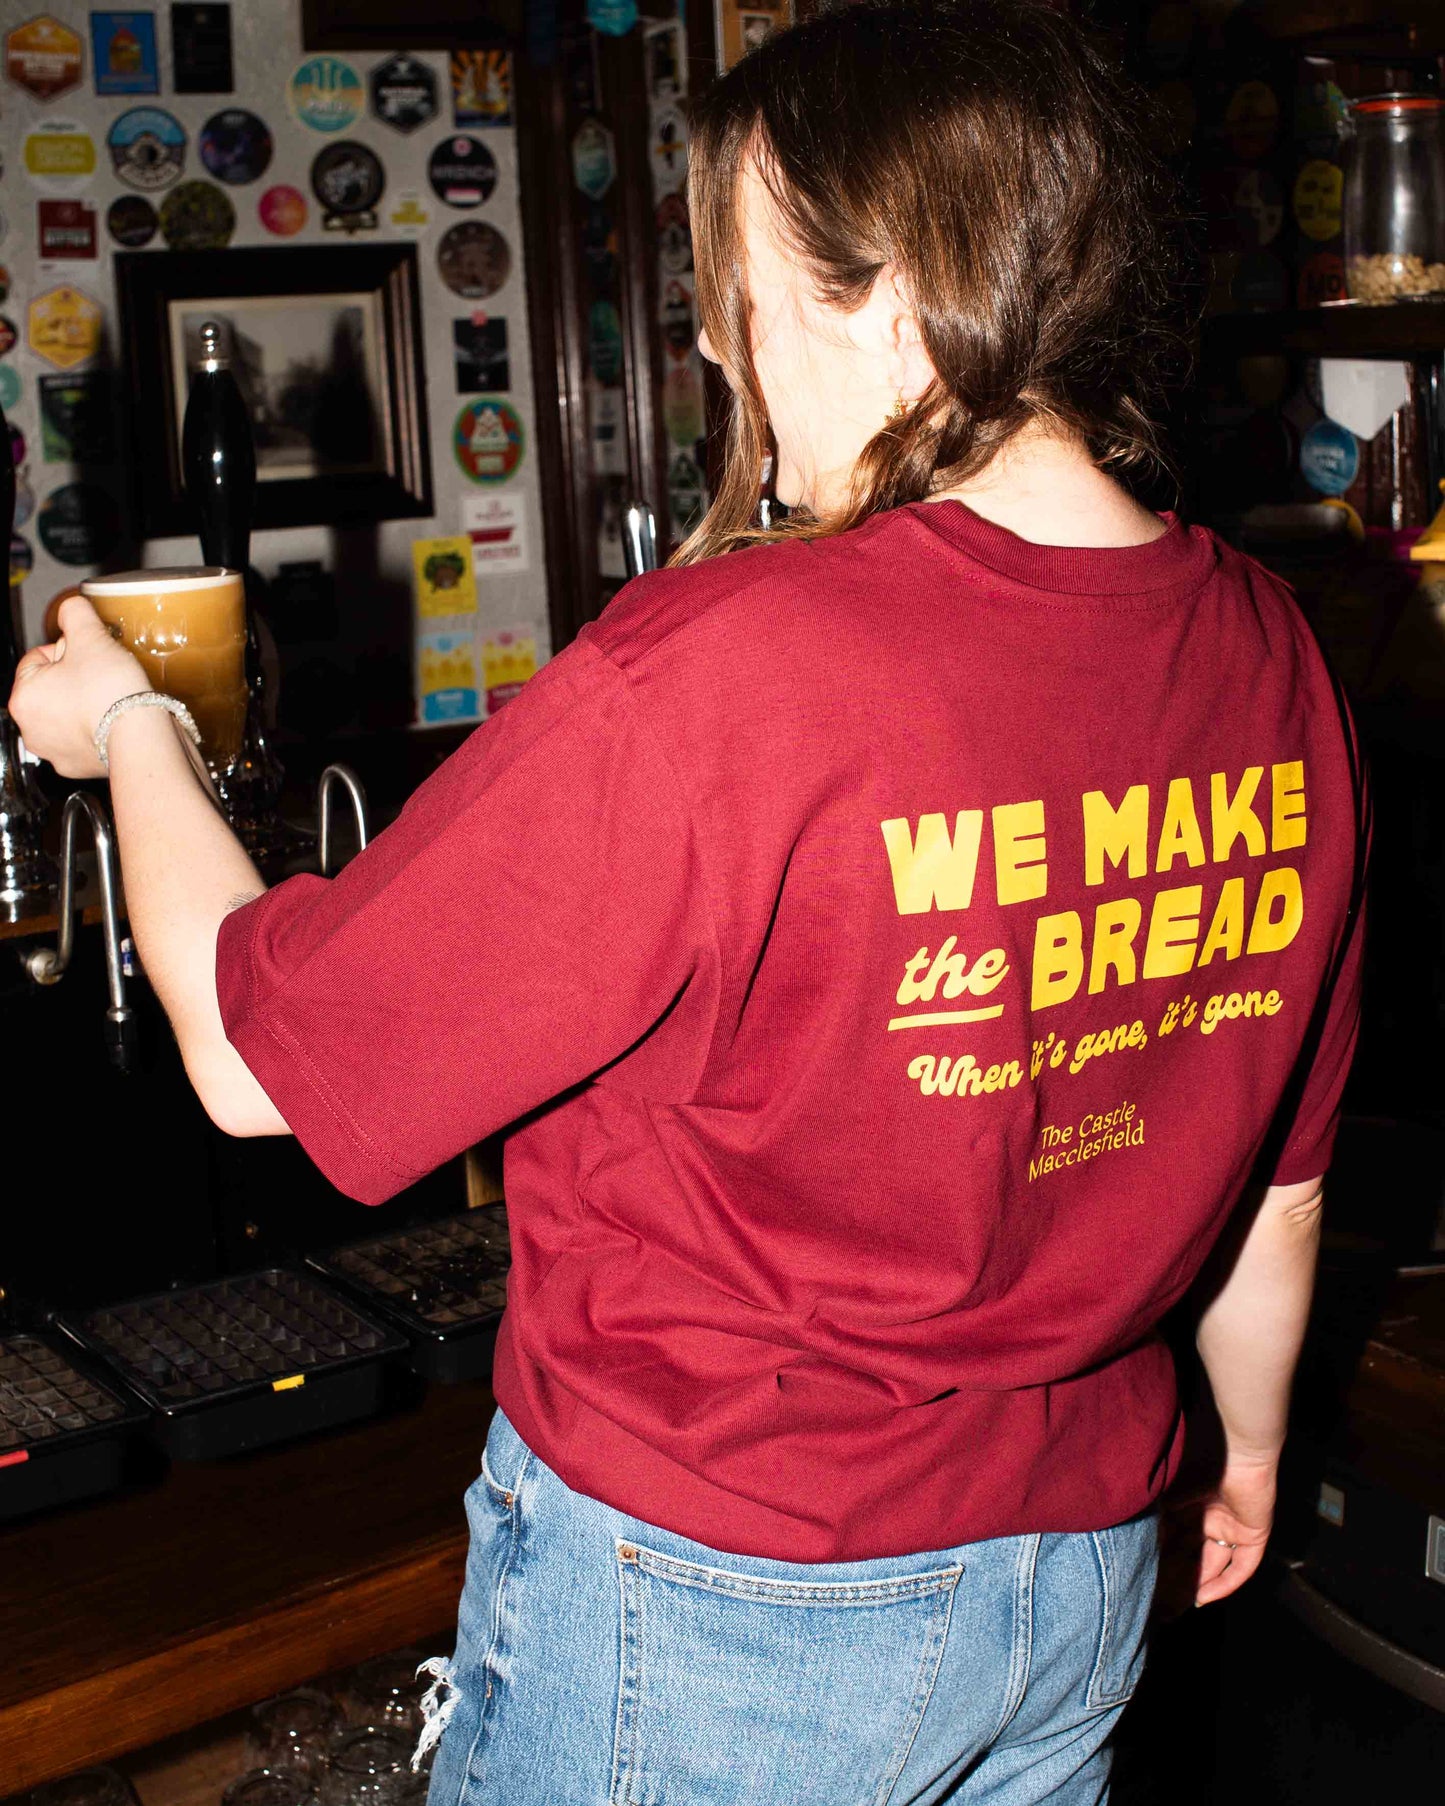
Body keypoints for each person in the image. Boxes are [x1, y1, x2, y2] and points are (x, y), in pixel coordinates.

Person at [11, 4, 1366, 1802]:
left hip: (729, 1598)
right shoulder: (1271, 650)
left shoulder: (729, 669)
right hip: (1082, 1557)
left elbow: (264, 1064)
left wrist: (127, 735)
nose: (719, 355)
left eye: (738, 293)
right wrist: (1245, 1445)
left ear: (889, 299)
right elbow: (1279, 1184)